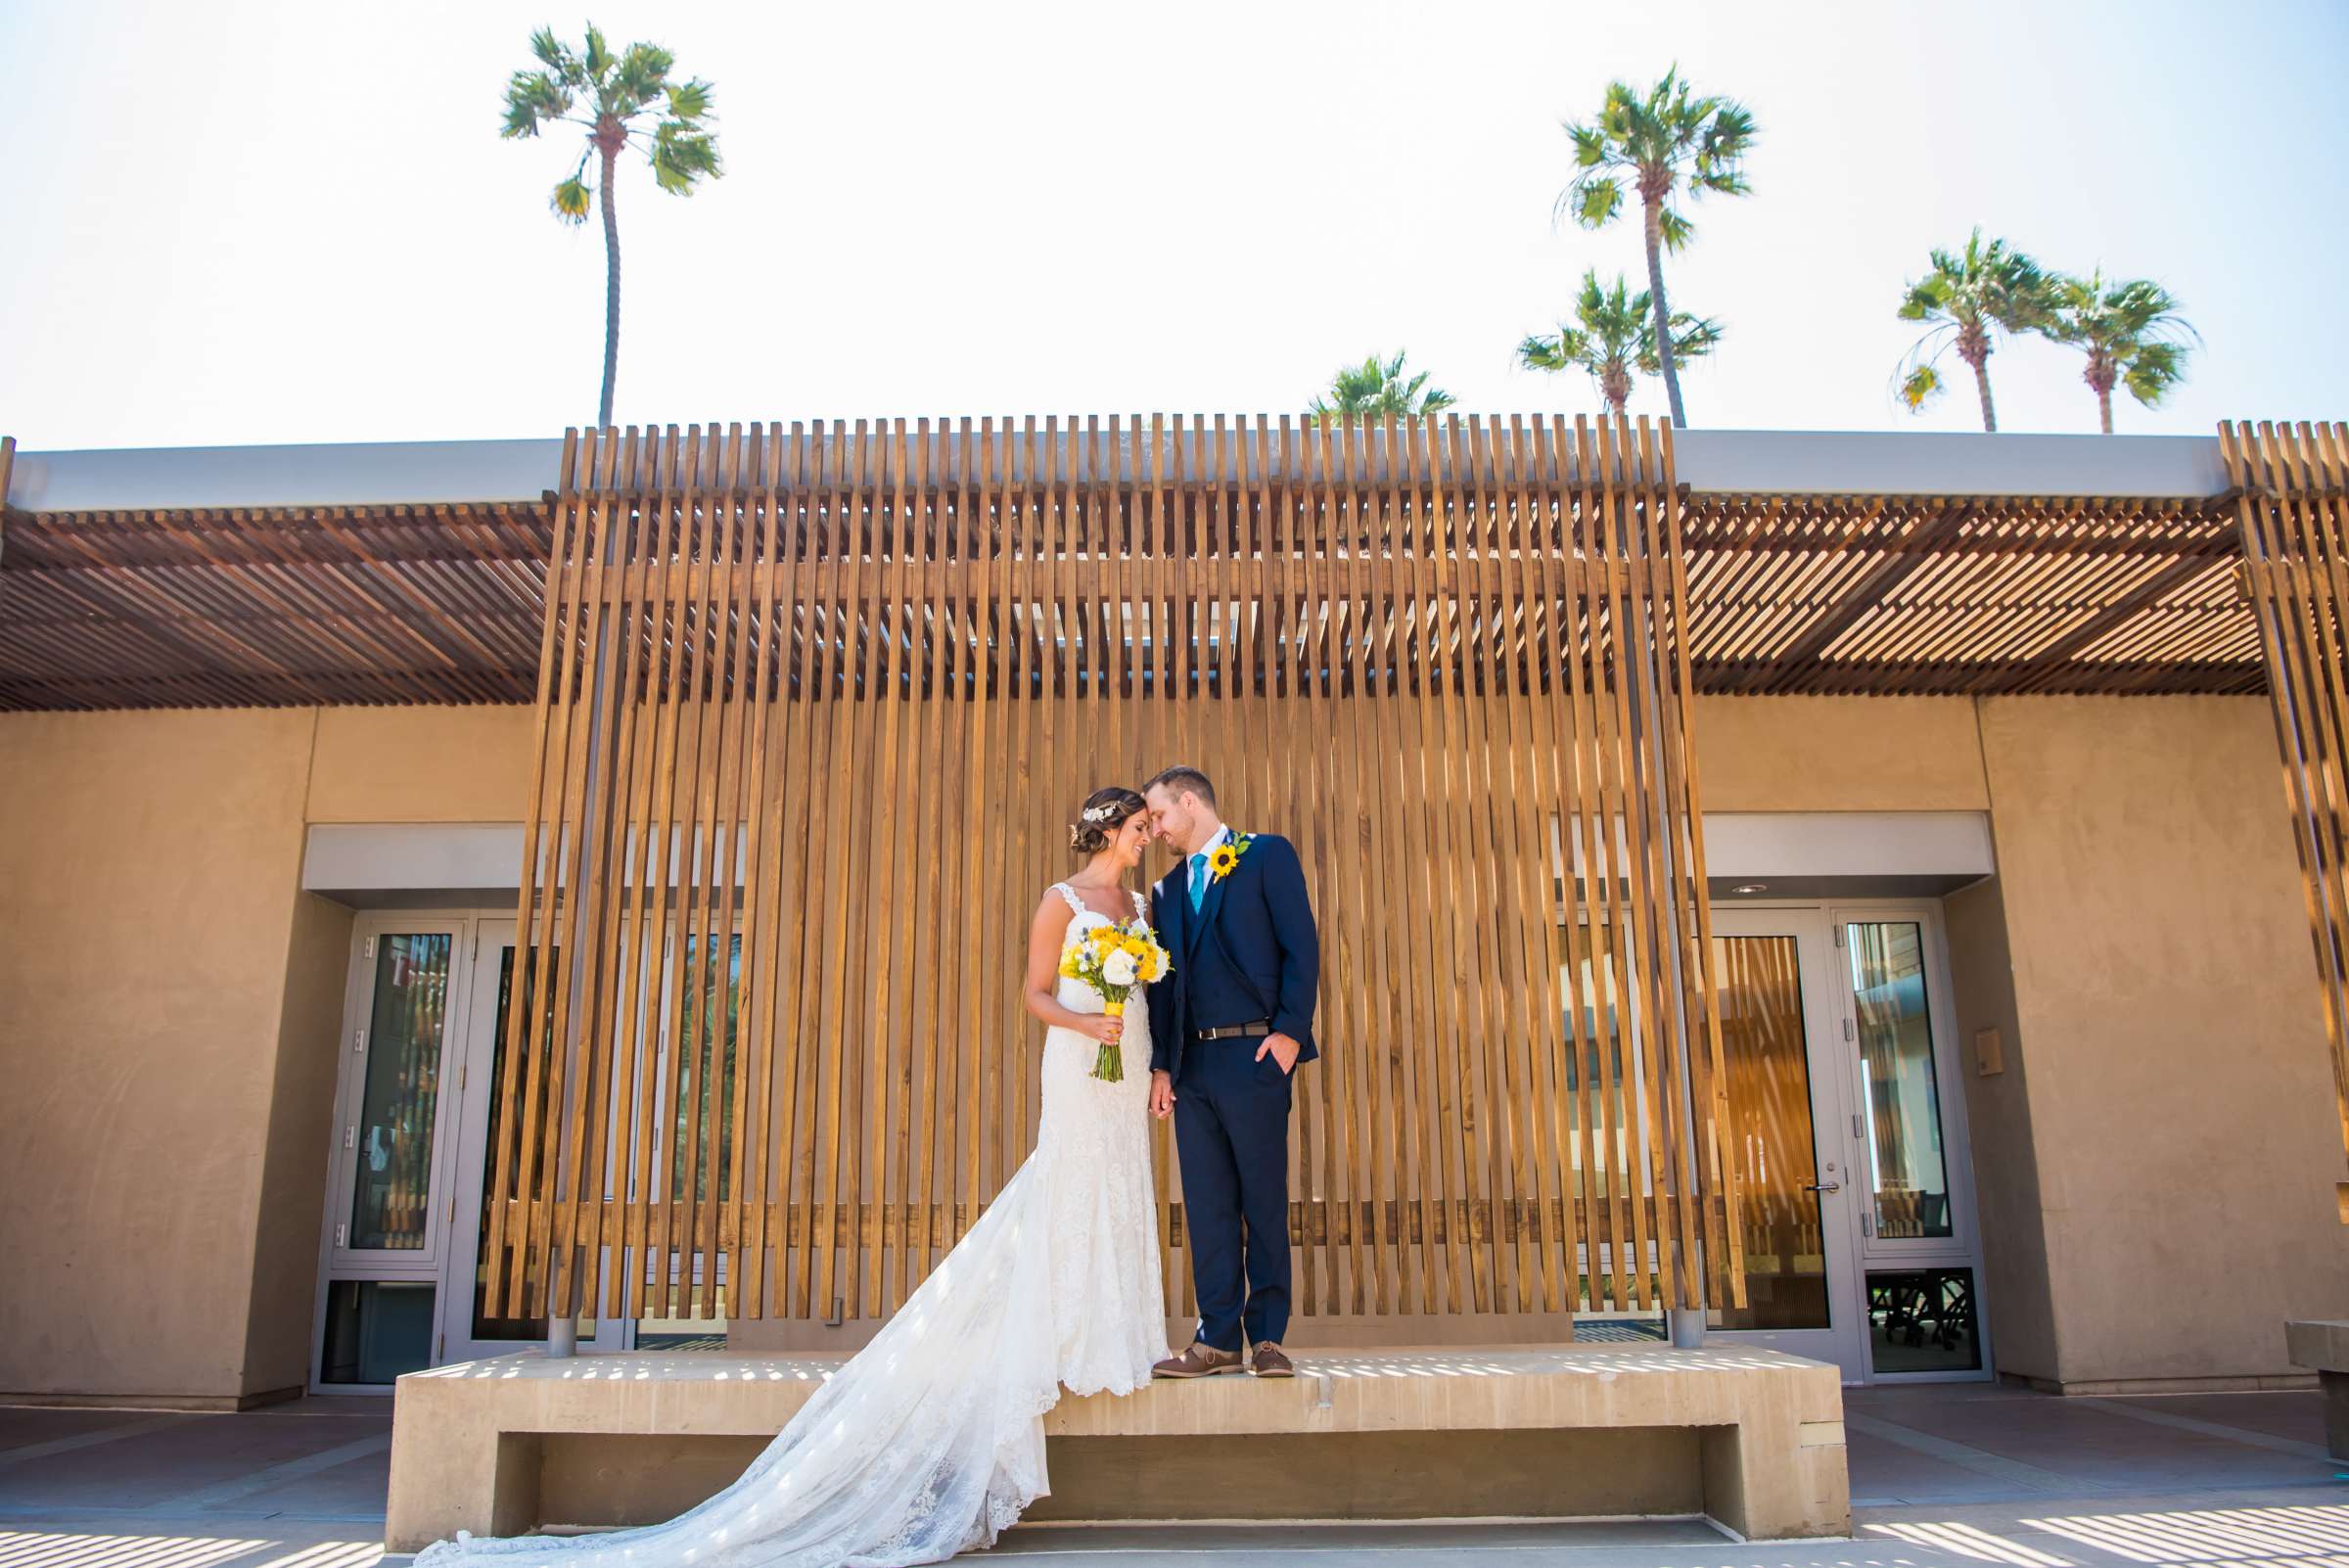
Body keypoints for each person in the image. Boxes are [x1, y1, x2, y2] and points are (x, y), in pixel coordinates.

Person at [412, 787, 1170, 1568]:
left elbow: (1154, 990)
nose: (1148, 837)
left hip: (1131, 1057)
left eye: (1150, 826)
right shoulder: (1061, 901)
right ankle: (1066, 1327)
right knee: (1070, 1182)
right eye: (1141, 827)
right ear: (1109, 827)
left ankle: (1113, 1331)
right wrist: (1087, 1023)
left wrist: (1150, 1056)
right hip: (1081, 1059)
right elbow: (1034, 993)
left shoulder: (1141, 906)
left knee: (1118, 1181)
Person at [1140, 765, 1319, 1380]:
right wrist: (1162, 1066)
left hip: (1256, 1057)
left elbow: (1302, 946)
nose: (1156, 829)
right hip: (1193, 1067)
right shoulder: (1165, 892)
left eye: (1160, 815)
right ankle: (1215, 1339)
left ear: (1190, 803)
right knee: (1208, 1205)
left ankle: (1267, 1338)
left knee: (1262, 1200)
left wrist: (1291, 1033)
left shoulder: (1266, 855)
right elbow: (1164, 988)